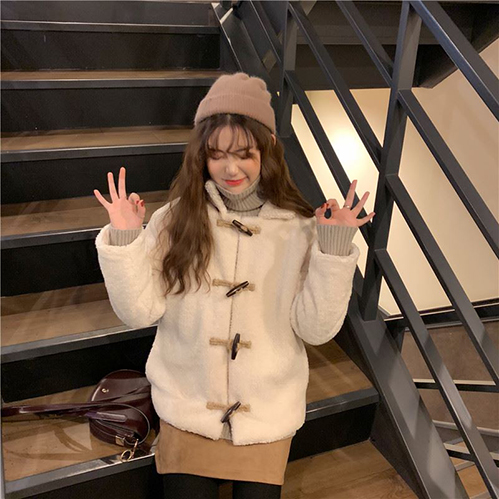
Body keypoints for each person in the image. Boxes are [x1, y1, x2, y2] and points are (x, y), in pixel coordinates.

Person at [93, 72, 375, 498]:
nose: (230, 168)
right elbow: (139, 312)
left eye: (244, 153)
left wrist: (333, 249)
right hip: (188, 407)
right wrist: (126, 238)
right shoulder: (175, 220)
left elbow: (317, 330)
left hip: (265, 415)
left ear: (268, 149)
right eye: (217, 154)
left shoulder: (298, 229)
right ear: (201, 155)